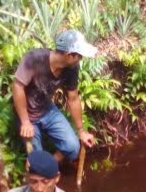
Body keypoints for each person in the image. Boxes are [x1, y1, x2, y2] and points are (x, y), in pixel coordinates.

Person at [12, 29, 97, 162]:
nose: (80, 59)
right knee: (36, 159)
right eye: (79, 55)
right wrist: (25, 122)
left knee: (73, 147)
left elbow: (73, 99)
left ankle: (49, 165)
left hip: (46, 109)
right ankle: (39, 168)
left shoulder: (71, 68)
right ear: (69, 55)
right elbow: (18, 86)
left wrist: (81, 131)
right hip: (27, 113)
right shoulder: (35, 58)